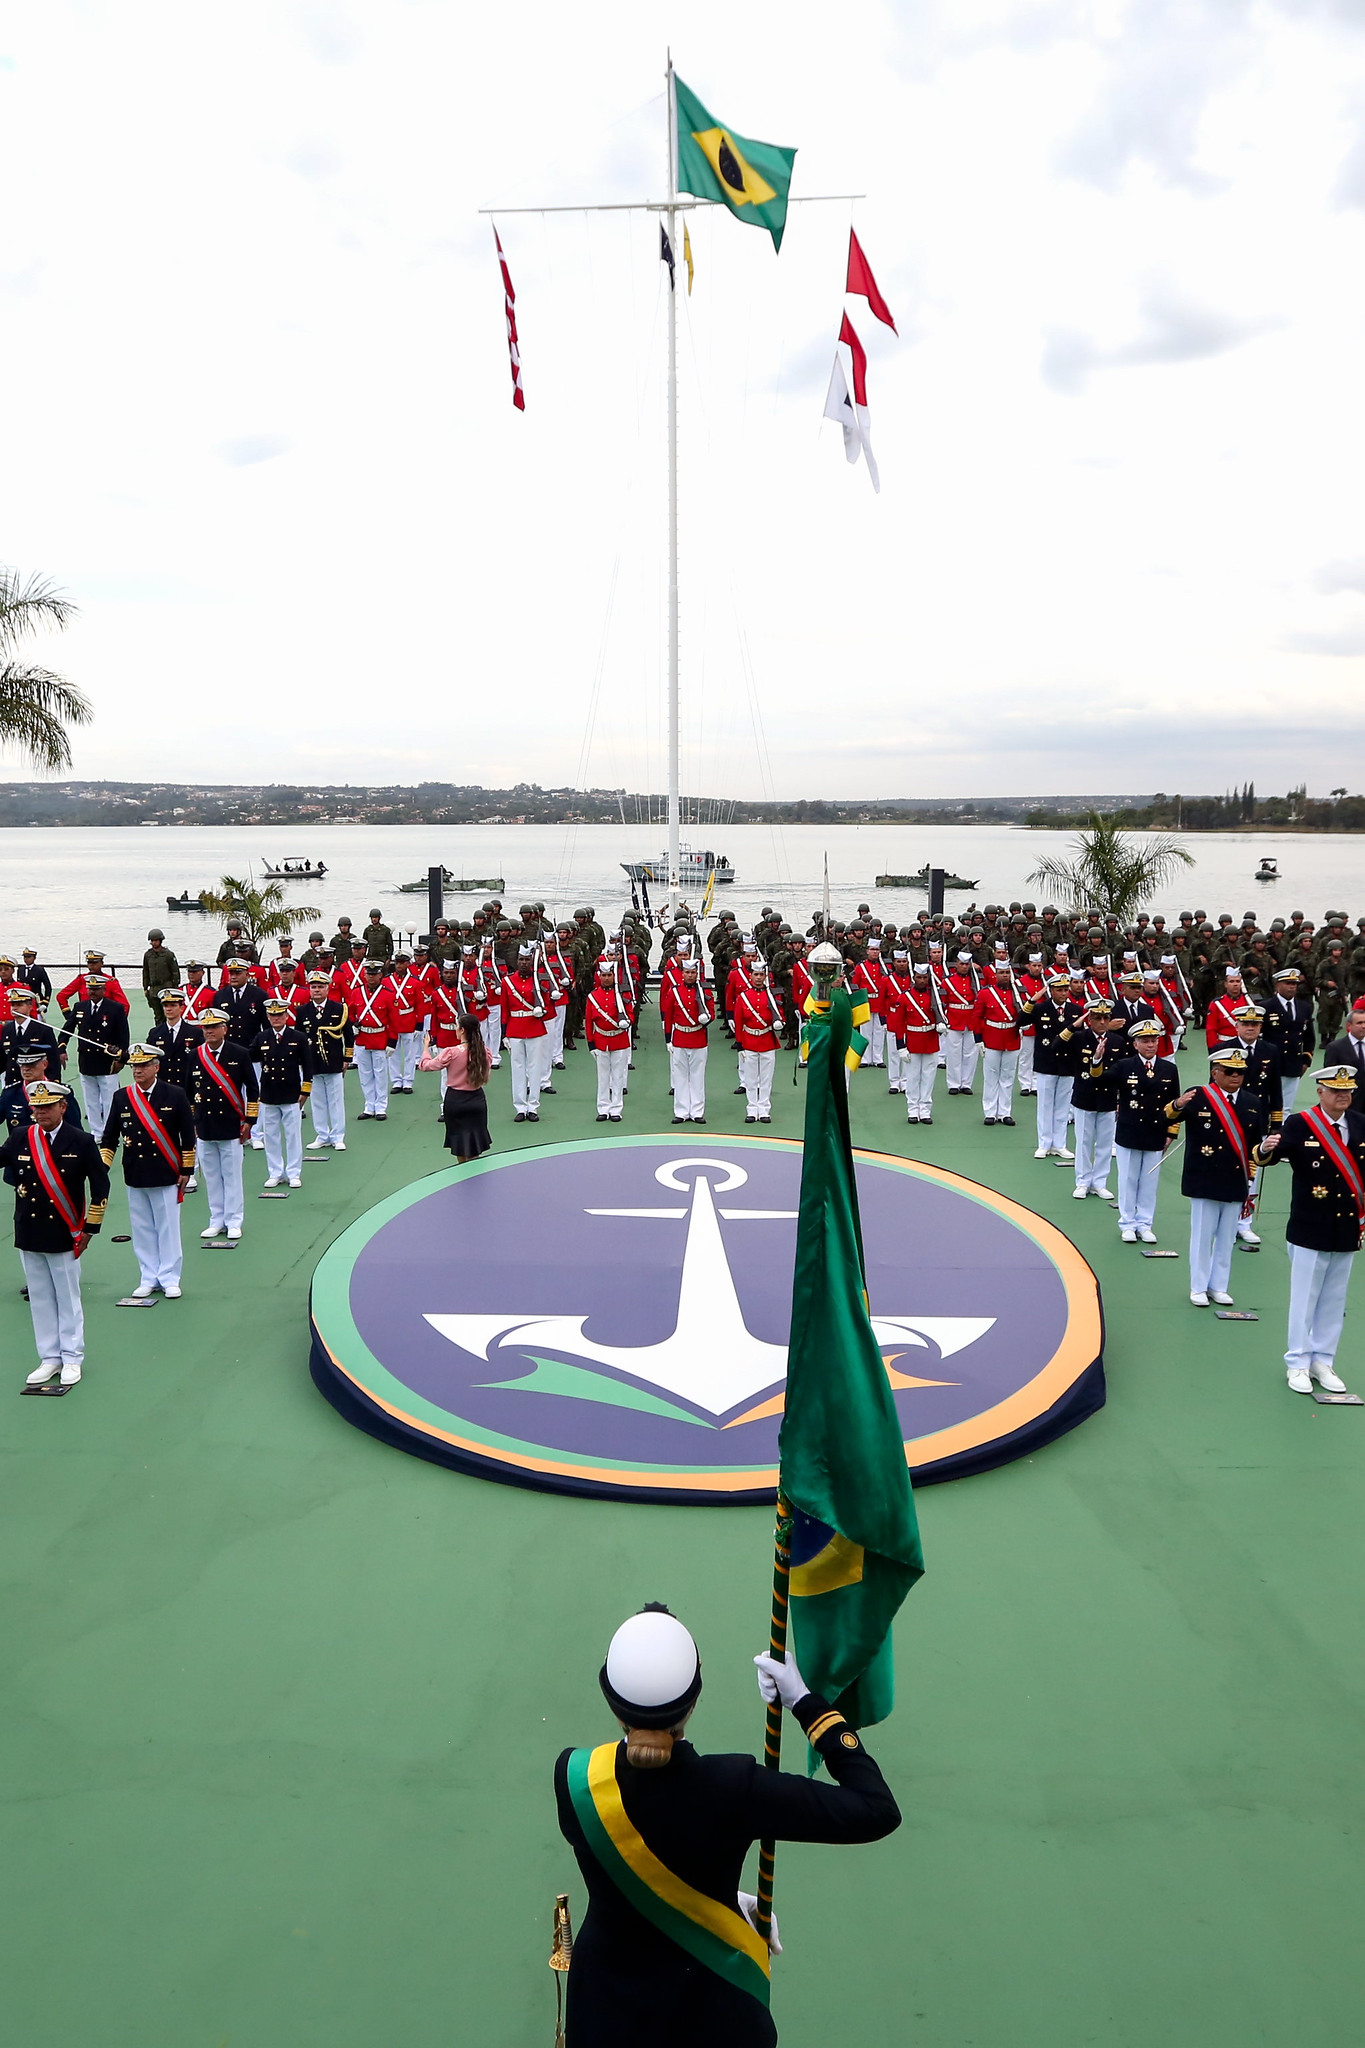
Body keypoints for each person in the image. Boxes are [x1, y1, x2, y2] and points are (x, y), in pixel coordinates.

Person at [555, 1604, 900, 2048]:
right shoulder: (736, 1787)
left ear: (611, 1701)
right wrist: (806, 1705)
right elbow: (876, 1809)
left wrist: (717, 1898)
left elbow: (641, 1850)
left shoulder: (573, 1778)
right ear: (694, 1700)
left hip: (605, 2018)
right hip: (710, 2021)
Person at [1254, 1062, 1365, 1394]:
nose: (1343, 1096)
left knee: (1334, 1299)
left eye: (1347, 1091)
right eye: (1336, 1091)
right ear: (1320, 1092)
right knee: (1305, 1298)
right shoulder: (1301, 1124)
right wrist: (1264, 1149)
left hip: (1346, 1226)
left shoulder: (1360, 1124)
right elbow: (1268, 1157)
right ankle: (1298, 1362)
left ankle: (1323, 1359)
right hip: (1309, 1224)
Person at [0, 1080, 109, 1387]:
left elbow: (100, 1185)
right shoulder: (22, 1136)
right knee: (40, 1297)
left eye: (47, 1107)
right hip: (29, 1229)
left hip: (64, 1230)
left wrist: (90, 1227)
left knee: (67, 1296)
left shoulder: (81, 1141)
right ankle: (49, 1357)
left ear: (63, 1107)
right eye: (37, 1107)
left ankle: (72, 1357)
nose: (41, 1112)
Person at [1169, 1045, 1265, 1307]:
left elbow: (1255, 1146)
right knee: (1202, 1236)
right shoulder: (1199, 1096)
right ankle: (1198, 1286)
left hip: (1235, 1179)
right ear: (1215, 1072)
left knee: (1225, 1238)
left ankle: (1219, 1285)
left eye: (1240, 1072)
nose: (1236, 1077)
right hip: (1204, 1178)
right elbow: (1168, 1117)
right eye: (1229, 1071)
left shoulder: (1252, 1103)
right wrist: (1177, 1104)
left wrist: (1256, 1166)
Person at [99, 1044, 196, 1299]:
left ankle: (170, 1276)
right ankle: (148, 1275)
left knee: (167, 1227)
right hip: (136, 1172)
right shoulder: (122, 1097)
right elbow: (110, 1138)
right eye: (134, 1066)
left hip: (166, 1172)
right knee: (142, 1228)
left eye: (143, 1066)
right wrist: (102, 1168)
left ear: (156, 1067)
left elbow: (187, 1136)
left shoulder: (174, 1094)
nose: (137, 1070)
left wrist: (187, 1169)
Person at [187, 1008, 259, 1240]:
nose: (209, 1031)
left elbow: (253, 1088)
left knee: (231, 1176)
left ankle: (234, 1220)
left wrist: (249, 1121)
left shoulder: (239, 1053)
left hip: (231, 1124)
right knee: (211, 1176)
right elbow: (189, 1091)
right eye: (206, 1028)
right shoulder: (196, 1055)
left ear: (224, 1029)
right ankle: (216, 1219)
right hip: (205, 1125)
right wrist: (193, 1121)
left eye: (213, 1027)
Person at [1112, 1018, 1179, 1243]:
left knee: (1149, 1181)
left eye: (1153, 1040)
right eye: (1145, 1041)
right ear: (1135, 1044)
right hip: (1130, 1130)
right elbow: (1103, 1082)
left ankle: (1145, 1223)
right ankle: (1128, 1222)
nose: (1150, 1045)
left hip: (1155, 1130)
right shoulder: (1124, 1066)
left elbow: (1174, 1103)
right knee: (1128, 1179)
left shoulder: (1169, 1068)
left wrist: (1171, 1132)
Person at [59, 968, 131, 1134]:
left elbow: (123, 1036)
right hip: (86, 1060)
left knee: (109, 1100)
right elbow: (67, 1030)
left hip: (107, 1062)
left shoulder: (115, 1009)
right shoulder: (80, 1007)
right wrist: (61, 1048)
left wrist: (122, 1059)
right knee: (91, 1100)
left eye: (96, 988)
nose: (92, 992)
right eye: (90, 989)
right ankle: (96, 1132)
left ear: (104, 990)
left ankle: (109, 1132)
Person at [1067, 995, 1122, 1201]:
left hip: (1107, 1097)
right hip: (1085, 1096)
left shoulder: (1117, 1041)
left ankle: (1100, 1181)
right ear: (1089, 1019)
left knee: (1105, 1143)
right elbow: (1057, 1045)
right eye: (1097, 1017)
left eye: (1105, 1018)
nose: (1101, 1022)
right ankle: (1082, 1181)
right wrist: (1075, 1025)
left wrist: (1119, 1099)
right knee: (1083, 1141)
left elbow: (1122, 1071)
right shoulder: (1080, 1038)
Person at [418, 1012, 492, 1160]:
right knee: (474, 1145)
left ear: (462, 1030)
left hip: (456, 1101)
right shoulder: (484, 1052)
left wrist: (426, 1048)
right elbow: (486, 1076)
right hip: (476, 1100)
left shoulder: (451, 1052)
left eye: (457, 1027)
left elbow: (426, 1066)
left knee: (460, 1145)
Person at [256, 995, 313, 1187]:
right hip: (269, 1095)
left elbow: (307, 1065)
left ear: (286, 1015)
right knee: (271, 1136)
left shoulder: (298, 1038)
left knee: (293, 1136)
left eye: (279, 1014)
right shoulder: (262, 1037)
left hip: (291, 1094)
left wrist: (305, 1091)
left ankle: (294, 1172)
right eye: (272, 1015)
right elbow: (250, 1059)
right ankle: (275, 1172)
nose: (276, 1018)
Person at [299, 972, 352, 1150]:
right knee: (318, 1101)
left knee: (336, 1101)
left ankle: (338, 1136)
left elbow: (348, 1035)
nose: (317, 990)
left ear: (328, 988)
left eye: (320, 987)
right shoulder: (302, 1011)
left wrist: (347, 1058)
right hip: (312, 1062)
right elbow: (299, 1037)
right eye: (313, 987)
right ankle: (322, 1135)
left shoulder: (339, 1009)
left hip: (334, 1061)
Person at [661, 956, 712, 1125]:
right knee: (680, 1077)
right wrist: (668, 1038)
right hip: (680, 1037)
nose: (690, 975)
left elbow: (711, 1011)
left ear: (697, 973)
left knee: (698, 1077)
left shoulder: (704, 991)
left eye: (693, 972)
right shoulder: (674, 991)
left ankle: (697, 1111)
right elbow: (668, 1016)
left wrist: (707, 1017)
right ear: (682, 973)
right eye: (687, 972)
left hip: (698, 1037)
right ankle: (681, 1111)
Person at [733, 961, 784, 1125]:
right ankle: (752, 1108)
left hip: (767, 1040)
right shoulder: (743, 997)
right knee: (751, 1079)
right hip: (749, 1040)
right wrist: (740, 1044)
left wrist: (780, 1021)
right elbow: (738, 1021)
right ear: (751, 976)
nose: (758, 978)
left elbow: (779, 1013)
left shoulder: (772, 996)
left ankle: (764, 1109)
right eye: (756, 974)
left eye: (761, 975)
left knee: (766, 1078)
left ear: (765, 976)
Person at [502, 945, 548, 1123]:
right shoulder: (508, 982)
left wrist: (541, 1011)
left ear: (531, 961)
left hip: (534, 1026)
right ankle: (520, 1106)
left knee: (535, 1068)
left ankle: (533, 1106)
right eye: (521, 959)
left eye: (527, 959)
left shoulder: (538, 980)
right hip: (515, 1027)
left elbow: (548, 1003)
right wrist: (505, 1032)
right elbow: (504, 1008)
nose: (523, 963)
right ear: (517, 961)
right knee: (517, 1068)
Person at [585, 960, 636, 1123]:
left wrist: (627, 1022)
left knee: (618, 1076)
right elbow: (588, 1022)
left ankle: (616, 1109)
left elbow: (630, 1014)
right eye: (604, 975)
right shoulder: (593, 996)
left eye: (609, 975)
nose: (606, 978)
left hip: (619, 1039)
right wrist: (591, 1043)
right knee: (603, 1077)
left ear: (614, 976)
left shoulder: (622, 995)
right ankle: (603, 1108)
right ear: (599, 976)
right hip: (601, 1039)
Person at [971, 963, 1020, 1127]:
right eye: (1001, 973)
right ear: (995, 975)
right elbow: (976, 1016)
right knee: (991, 1077)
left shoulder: (1017, 992)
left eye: (1007, 972)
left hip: (1012, 1037)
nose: (1005, 976)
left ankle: (1005, 1112)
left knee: (1008, 1077)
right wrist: (978, 1039)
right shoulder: (985, 993)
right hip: (992, 1038)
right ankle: (990, 1112)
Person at [350, 960, 397, 1121]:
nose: (371, 977)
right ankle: (369, 1105)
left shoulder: (388, 994)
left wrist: (392, 1042)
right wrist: (352, 1026)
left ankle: (381, 1107)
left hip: (380, 1038)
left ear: (380, 975)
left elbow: (393, 1020)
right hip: (362, 1038)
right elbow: (350, 1012)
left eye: (374, 974)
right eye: (368, 974)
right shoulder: (356, 992)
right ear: (364, 975)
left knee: (380, 1074)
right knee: (365, 1074)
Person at [0, 983, 60, 1083]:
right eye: (12, 1005)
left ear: (30, 1007)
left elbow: (53, 1061)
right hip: (13, 1084)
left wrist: (53, 1083)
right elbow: (3, 1059)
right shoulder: (7, 1029)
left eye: (19, 1005)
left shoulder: (43, 1030)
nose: (14, 1008)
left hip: (36, 1084)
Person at [1321, 998, 1365, 1111]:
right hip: (1347, 1103)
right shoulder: (1335, 1048)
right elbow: (1329, 1078)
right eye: (1359, 1023)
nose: (1363, 1026)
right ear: (1349, 1026)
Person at [141, 928, 180, 1024]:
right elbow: (145, 971)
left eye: (156, 940)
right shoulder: (148, 955)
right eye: (152, 941)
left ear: (160, 940)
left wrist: (175, 987)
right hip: (154, 989)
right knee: (158, 1015)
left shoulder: (168, 955)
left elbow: (175, 971)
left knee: (168, 1012)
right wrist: (145, 988)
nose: (154, 943)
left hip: (166, 987)